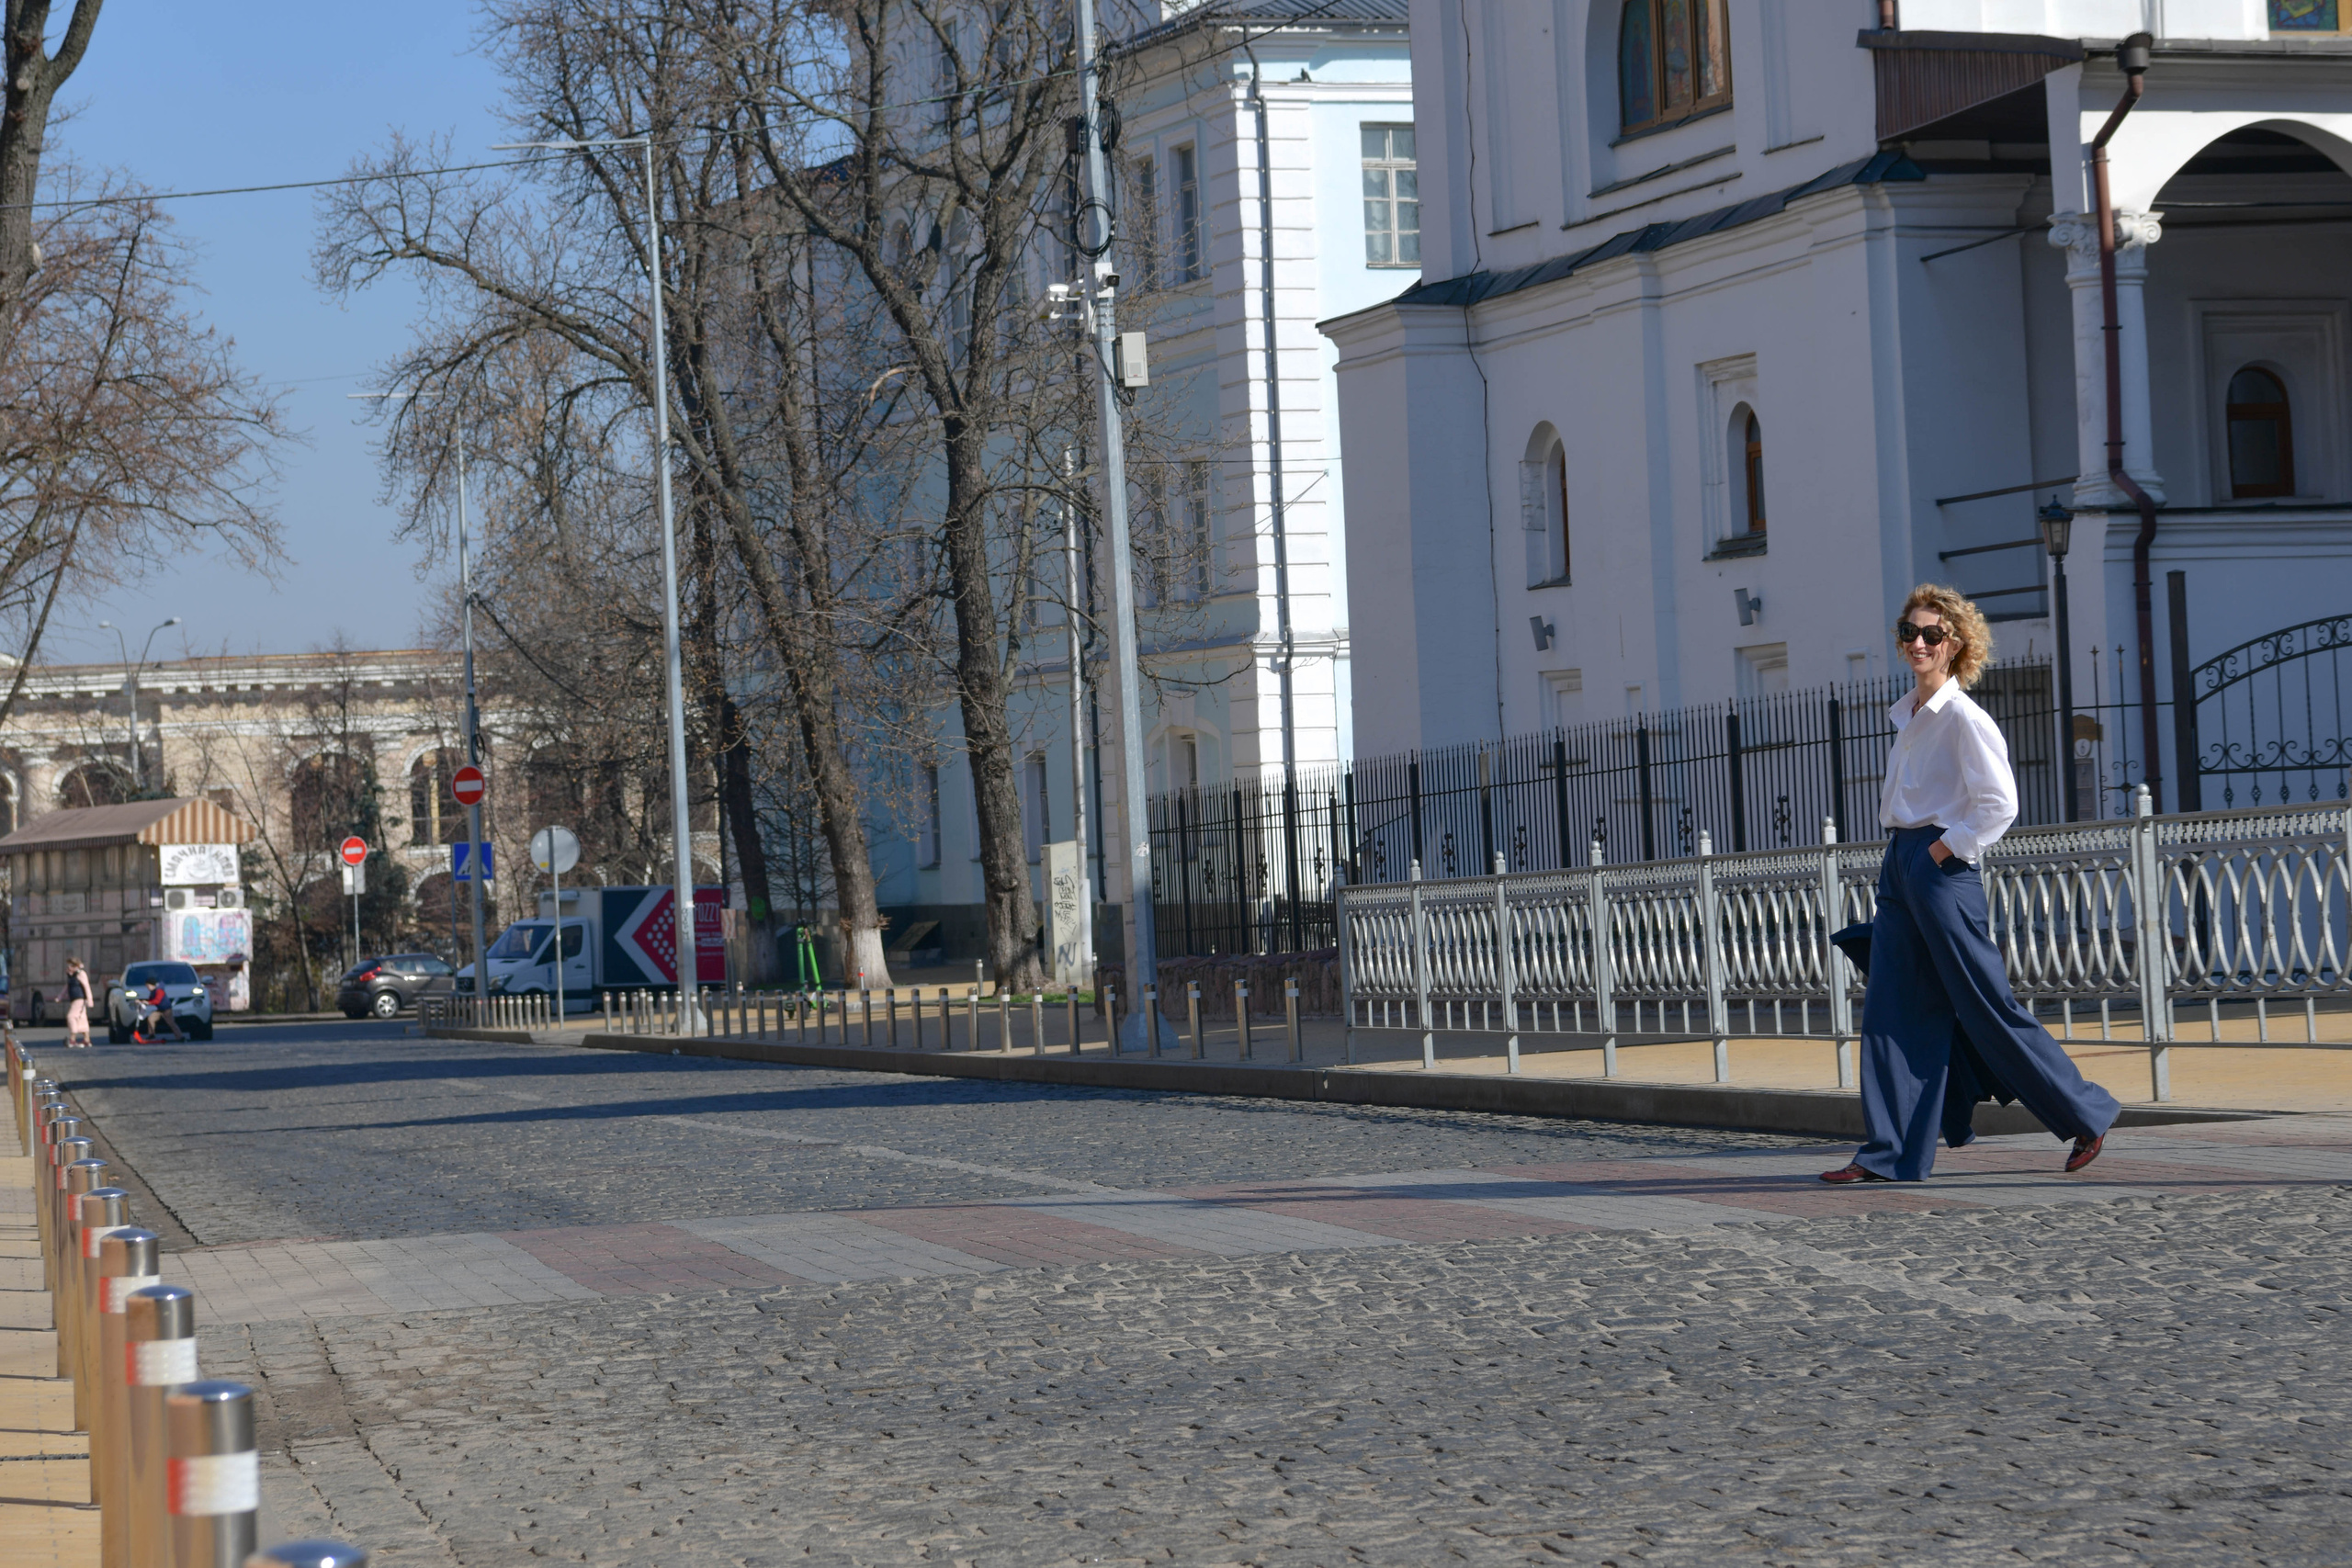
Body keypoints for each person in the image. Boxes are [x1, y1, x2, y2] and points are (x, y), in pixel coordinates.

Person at [1822, 585, 2121, 1185]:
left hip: (1941, 870)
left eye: (1932, 634)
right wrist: (1910, 856)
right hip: (1901, 865)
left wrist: (1939, 849)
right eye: (1910, 632)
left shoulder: (1963, 717)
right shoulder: (1907, 714)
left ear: (1956, 644)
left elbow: (1999, 804)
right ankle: (1889, 1154)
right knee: (1891, 1011)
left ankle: (2085, 1112)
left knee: (1987, 1007)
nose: (1919, 644)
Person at [139, 975, 186, 1043]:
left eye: (148, 986)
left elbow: (157, 1001)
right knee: (151, 1019)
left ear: (152, 985)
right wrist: (141, 1001)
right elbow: (150, 1000)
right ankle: (151, 1034)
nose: (147, 988)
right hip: (160, 1010)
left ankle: (180, 1037)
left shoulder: (159, 991)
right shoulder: (153, 992)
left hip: (167, 1010)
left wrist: (148, 1003)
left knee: (171, 1023)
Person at [62, 958, 93, 1049]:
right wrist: (59, 997)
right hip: (76, 999)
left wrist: (90, 1000)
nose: (69, 967)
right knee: (82, 1019)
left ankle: (72, 1039)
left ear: (76, 966)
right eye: (68, 966)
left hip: (79, 999)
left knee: (71, 1017)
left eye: (71, 966)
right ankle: (87, 1040)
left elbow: (86, 987)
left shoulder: (81, 974)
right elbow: (66, 988)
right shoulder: (72, 976)